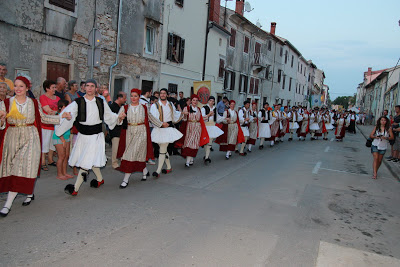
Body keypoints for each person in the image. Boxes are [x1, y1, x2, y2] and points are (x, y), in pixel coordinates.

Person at [0, 76, 70, 217]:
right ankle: (29, 193)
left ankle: (7, 204)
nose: (18, 89)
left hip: (30, 136)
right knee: (13, 166)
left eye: (21, 86)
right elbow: (2, 125)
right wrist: (2, 119)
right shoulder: (6, 103)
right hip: (12, 136)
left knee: (24, 166)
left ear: (27, 88)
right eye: (16, 86)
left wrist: (61, 117)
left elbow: (43, 118)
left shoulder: (33, 102)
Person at [56, 79, 126, 196]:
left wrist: (118, 117)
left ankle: (75, 189)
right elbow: (67, 113)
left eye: (92, 86)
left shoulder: (100, 101)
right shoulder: (77, 102)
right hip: (83, 136)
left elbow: (109, 116)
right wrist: (66, 116)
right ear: (84, 88)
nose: (89, 88)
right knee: (90, 160)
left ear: (96, 88)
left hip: (96, 136)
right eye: (87, 86)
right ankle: (100, 179)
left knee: (85, 162)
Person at [117, 89, 164, 188]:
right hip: (129, 132)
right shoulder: (124, 108)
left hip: (141, 132)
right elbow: (118, 121)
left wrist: (161, 124)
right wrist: (120, 118)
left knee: (131, 154)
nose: (133, 98)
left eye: (135, 96)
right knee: (136, 155)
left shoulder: (144, 107)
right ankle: (145, 171)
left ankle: (125, 179)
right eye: (132, 96)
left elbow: (151, 118)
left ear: (139, 97)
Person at [150, 88, 183, 178]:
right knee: (163, 149)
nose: (162, 95)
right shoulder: (155, 106)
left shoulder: (170, 104)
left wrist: (182, 113)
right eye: (161, 93)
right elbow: (152, 117)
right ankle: (169, 167)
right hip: (159, 128)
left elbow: (175, 114)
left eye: (164, 93)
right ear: (159, 95)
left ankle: (158, 171)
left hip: (168, 129)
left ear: (167, 95)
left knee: (162, 149)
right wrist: (161, 124)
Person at [178, 94, 209, 167]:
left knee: (194, 144)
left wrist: (208, 115)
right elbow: (184, 119)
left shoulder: (198, 109)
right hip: (189, 127)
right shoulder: (187, 108)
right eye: (193, 100)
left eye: (196, 100)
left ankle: (188, 161)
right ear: (191, 101)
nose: (195, 102)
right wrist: (184, 114)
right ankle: (189, 160)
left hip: (197, 128)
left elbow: (201, 119)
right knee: (188, 143)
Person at [39, 80, 60, 171]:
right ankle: (43, 161)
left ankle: (50, 160)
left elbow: (61, 109)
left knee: (52, 143)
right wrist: (58, 113)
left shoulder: (58, 98)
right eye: (53, 88)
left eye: (55, 87)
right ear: (47, 88)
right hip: (46, 125)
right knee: (45, 143)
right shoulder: (43, 97)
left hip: (55, 125)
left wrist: (56, 113)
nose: (55, 89)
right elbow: (47, 110)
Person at [53, 99, 74, 180]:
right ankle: (59, 174)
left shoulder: (67, 116)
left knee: (66, 156)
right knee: (61, 156)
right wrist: (63, 140)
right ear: (61, 108)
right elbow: (57, 129)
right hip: (59, 138)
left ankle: (64, 172)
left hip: (66, 137)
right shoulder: (58, 116)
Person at [201, 96, 224, 164]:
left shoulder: (215, 109)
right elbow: (202, 118)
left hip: (212, 126)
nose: (211, 102)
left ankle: (207, 157)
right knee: (206, 142)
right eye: (210, 100)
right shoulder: (204, 108)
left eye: (213, 101)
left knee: (210, 142)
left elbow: (218, 118)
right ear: (208, 101)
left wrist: (224, 119)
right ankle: (206, 155)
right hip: (206, 126)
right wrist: (208, 115)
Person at [109, 91, 127, 169]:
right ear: (119, 98)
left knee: (121, 147)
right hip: (115, 131)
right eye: (124, 98)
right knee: (115, 148)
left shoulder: (122, 106)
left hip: (122, 130)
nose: (125, 100)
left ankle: (122, 162)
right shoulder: (112, 106)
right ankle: (114, 163)